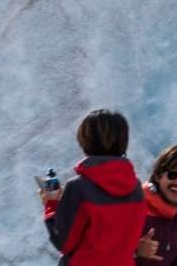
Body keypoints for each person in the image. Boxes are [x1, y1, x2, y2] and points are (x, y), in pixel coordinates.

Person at [42, 110, 147, 266]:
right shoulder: (136, 188)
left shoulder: (78, 188)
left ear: (86, 141)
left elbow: (63, 242)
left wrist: (51, 204)